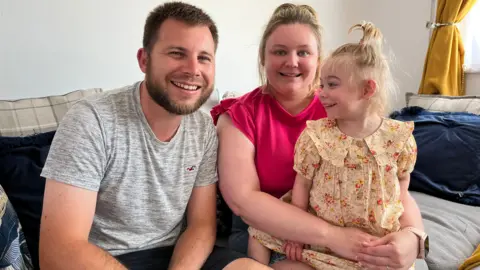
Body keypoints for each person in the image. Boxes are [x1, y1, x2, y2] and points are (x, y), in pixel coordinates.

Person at [38, 2, 271, 270]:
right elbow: (59, 250)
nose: (193, 69)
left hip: (180, 255)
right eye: (177, 53)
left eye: (204, 57)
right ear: (144, 60)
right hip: (103, 260)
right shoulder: (91, 120)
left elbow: (201, 224)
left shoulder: (203, 127)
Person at [212, 3, 428, 270]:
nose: (292, 62)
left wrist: (414, 238)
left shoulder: (343, 108)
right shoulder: (239, 115)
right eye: (280, 51)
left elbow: (392, 187)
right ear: (263, 58)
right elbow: (243, 201)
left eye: (303, 52)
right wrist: (334, 237)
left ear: (318, 60)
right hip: (271, 238)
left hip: (352, 232)